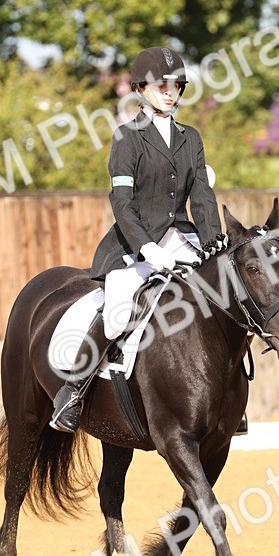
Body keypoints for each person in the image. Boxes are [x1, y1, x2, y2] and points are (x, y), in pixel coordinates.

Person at [50, 46, 223, 433]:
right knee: (118, 305)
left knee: (225, 294)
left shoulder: (190, 138)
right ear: (141, 88)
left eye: (176, 84)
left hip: (184, 239)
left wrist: (215, 244)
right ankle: (73, 391)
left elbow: (204, 199)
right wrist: (148, 249)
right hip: (136, 246)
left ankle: (227, 400)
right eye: (162, 85)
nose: (170, 91)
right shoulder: (127, 138)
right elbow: (122, 203)